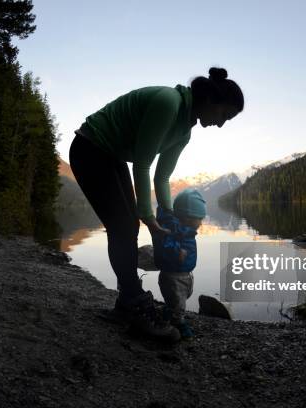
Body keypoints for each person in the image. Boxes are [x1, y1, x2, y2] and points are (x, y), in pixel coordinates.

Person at [69, 67, 244, 340]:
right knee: (124, 227)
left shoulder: (184, 132)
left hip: (110, 153)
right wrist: (149, 217)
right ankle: (133, 302)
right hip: (90, 148)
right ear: (211, 100)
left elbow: (163, 178)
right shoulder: (168, 102)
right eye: (224, 115)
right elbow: (143, 165)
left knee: (127, 228)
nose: (221, 124)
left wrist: (168, 217)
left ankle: (126, 302)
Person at [153, 189, 206, 339]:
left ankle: (169, 312)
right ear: (187, 217)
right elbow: (165, 242)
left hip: (184, 273)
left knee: (184, 296)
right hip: (173, 275)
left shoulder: (186, 229)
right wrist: (177, 252)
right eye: (199, 219)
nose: (201, 223)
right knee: (178, 302)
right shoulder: (173, 228)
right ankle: (178, 324)